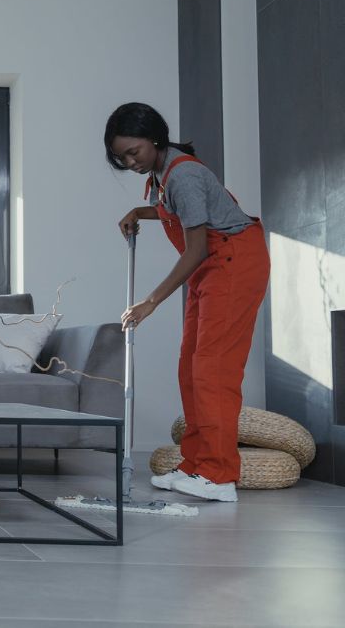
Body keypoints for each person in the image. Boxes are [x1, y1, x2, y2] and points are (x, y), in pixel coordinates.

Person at [105, 102, 270, 503]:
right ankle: (196, 464)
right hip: (211, 267)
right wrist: (140, 212)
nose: (130, 162)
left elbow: (195, 248)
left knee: (213, 369)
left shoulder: (186, 175)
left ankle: (219, 475)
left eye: (134, 152)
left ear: (155, 138)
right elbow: (177, 214)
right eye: (121, 157)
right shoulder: (163, 174)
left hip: (231, 262)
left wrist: (150, 301)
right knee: (190, 366)